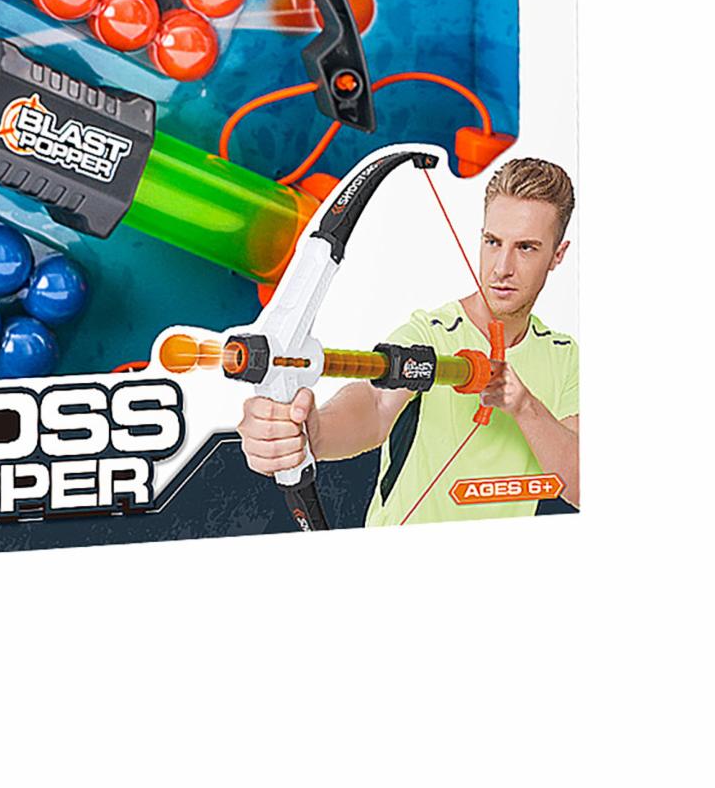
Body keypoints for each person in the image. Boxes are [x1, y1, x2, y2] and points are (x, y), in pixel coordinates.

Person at [238, 156, 579, 524]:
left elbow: (582, 486)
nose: (501, 267)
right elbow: (375, 405)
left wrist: (524, 406)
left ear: (557, 255)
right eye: (493, 242)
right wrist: (313, 434)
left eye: (526, 248)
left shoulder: (564, 356)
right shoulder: (432, 333)